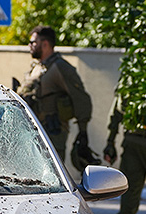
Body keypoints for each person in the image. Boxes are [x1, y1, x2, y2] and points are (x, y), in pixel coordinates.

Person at [17, 26, 94, 162]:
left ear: (45, 44)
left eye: (33, 42)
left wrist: (83, 133)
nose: (30, 46)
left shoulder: (60, 67)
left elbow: (81, 99)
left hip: (52, 133)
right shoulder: (37, 67)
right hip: (32, 131)